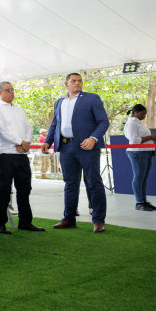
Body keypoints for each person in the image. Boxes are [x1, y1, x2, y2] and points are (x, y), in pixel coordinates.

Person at [42, 73, 109, 233]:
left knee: (94, 183)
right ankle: (69, 218)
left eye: (80, 81)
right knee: (70, 184)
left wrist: (93, 138)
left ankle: (99, 221)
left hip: (87, 147)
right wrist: (48, 141)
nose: (78, 83)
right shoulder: (59, 102)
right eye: (74, 81)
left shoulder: (92, 98)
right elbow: (55, 124)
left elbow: (103, 121)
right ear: (66, 84)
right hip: (66, 147)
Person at [0, 82, 44, 233]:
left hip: (22, 154)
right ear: (0, 92)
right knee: (4, 189)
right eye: (8, 90)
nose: (12, 92)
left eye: (13, 90)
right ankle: (0, 223)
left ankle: (25, 222)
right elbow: (1, 131)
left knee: (25, 188)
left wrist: (26, 143)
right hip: (5, 154)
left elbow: (28, 128)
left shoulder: (19, 109)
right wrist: (20, 142)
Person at [123, 104, 156, 211]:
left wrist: (154, 138)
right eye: (143, 114)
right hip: (138, 153)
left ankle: (144, 201)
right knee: (139, 178)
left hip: (146, 152)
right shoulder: (132, 123)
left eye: (145, 114)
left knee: (144, 179)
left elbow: (141, 138)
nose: (144, 116)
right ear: (136, 112)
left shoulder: (138, 123)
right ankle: (139, 202)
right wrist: (151, 137)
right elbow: (134, 141)